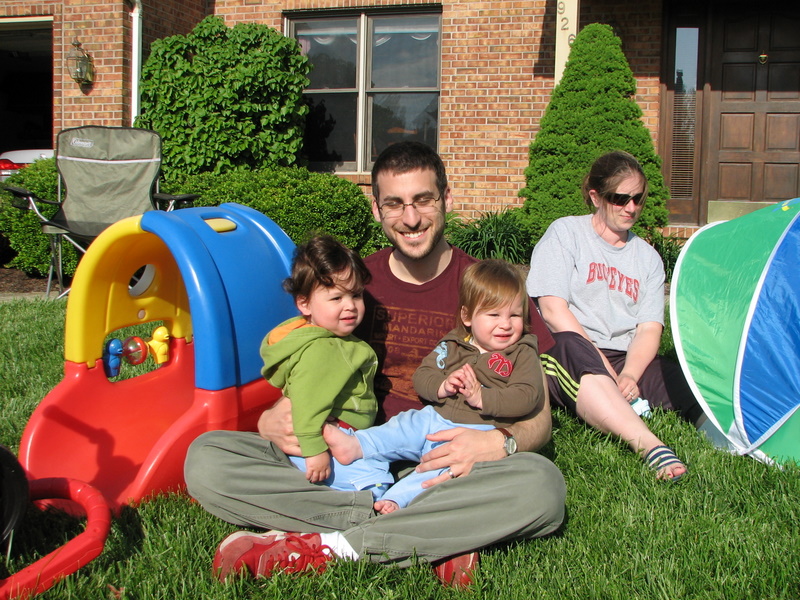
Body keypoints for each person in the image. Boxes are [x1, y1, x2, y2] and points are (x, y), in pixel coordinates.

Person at [183, 141, 566, 587]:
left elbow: (539, 416)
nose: (411, 218)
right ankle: (424, 534)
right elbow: (311, 365)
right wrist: (272, 418)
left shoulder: (491, 291)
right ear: (376, 208)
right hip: (353, 454)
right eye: (395, 204)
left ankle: (330, 543)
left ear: (446, 198)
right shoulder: (353, 286)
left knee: (542, 485)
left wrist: (501, 444)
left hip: (450, 459)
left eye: (423, 200)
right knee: (207, 459)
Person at [528, 150, 700, 481]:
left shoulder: (648, 259)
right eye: (620, 199)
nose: (631, 208)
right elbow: (552, 311)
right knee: (570, 345)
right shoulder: (565, 233)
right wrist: (605, 369)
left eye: (638, 199)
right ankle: (650, 446)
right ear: (596, 197)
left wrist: (630, 376)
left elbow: (649, 328)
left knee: (682, 382)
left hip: (623, 357)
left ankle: (730, 439)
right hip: (568, 350)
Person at [323, 259, 546, 514]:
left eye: (515, 315)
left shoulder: (522, 353)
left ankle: (396, 500)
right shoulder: (453, 343)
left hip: (474, 432)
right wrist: (442, 386)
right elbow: (423, 375)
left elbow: (527, 396)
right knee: (402, 426)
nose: (505, 324)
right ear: (467, 316)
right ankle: (357, 445)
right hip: (433, 418)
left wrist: (482, 398)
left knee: (440, 467)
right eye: (494, 315)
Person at [260, 234, 392, 495]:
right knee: (378, 480)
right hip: (331, 437)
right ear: (304, 303)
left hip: (332, 435)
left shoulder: (318, 338)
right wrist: (315, 451)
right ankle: (359, 501)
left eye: (356, 295)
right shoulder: (324, 349)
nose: (350, 306)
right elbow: (308, 403)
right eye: (336, 298)